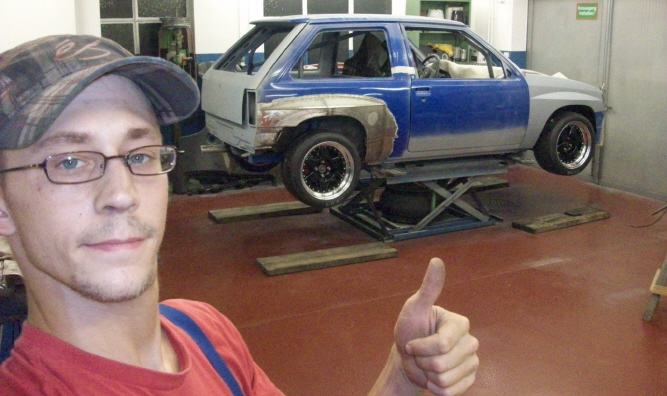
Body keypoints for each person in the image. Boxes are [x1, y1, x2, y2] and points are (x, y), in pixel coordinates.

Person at [0, 35, 479, 395]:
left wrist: (403, 377)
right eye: (69, 162)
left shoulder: (206, 333)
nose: (122, 194)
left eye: (140, 155)